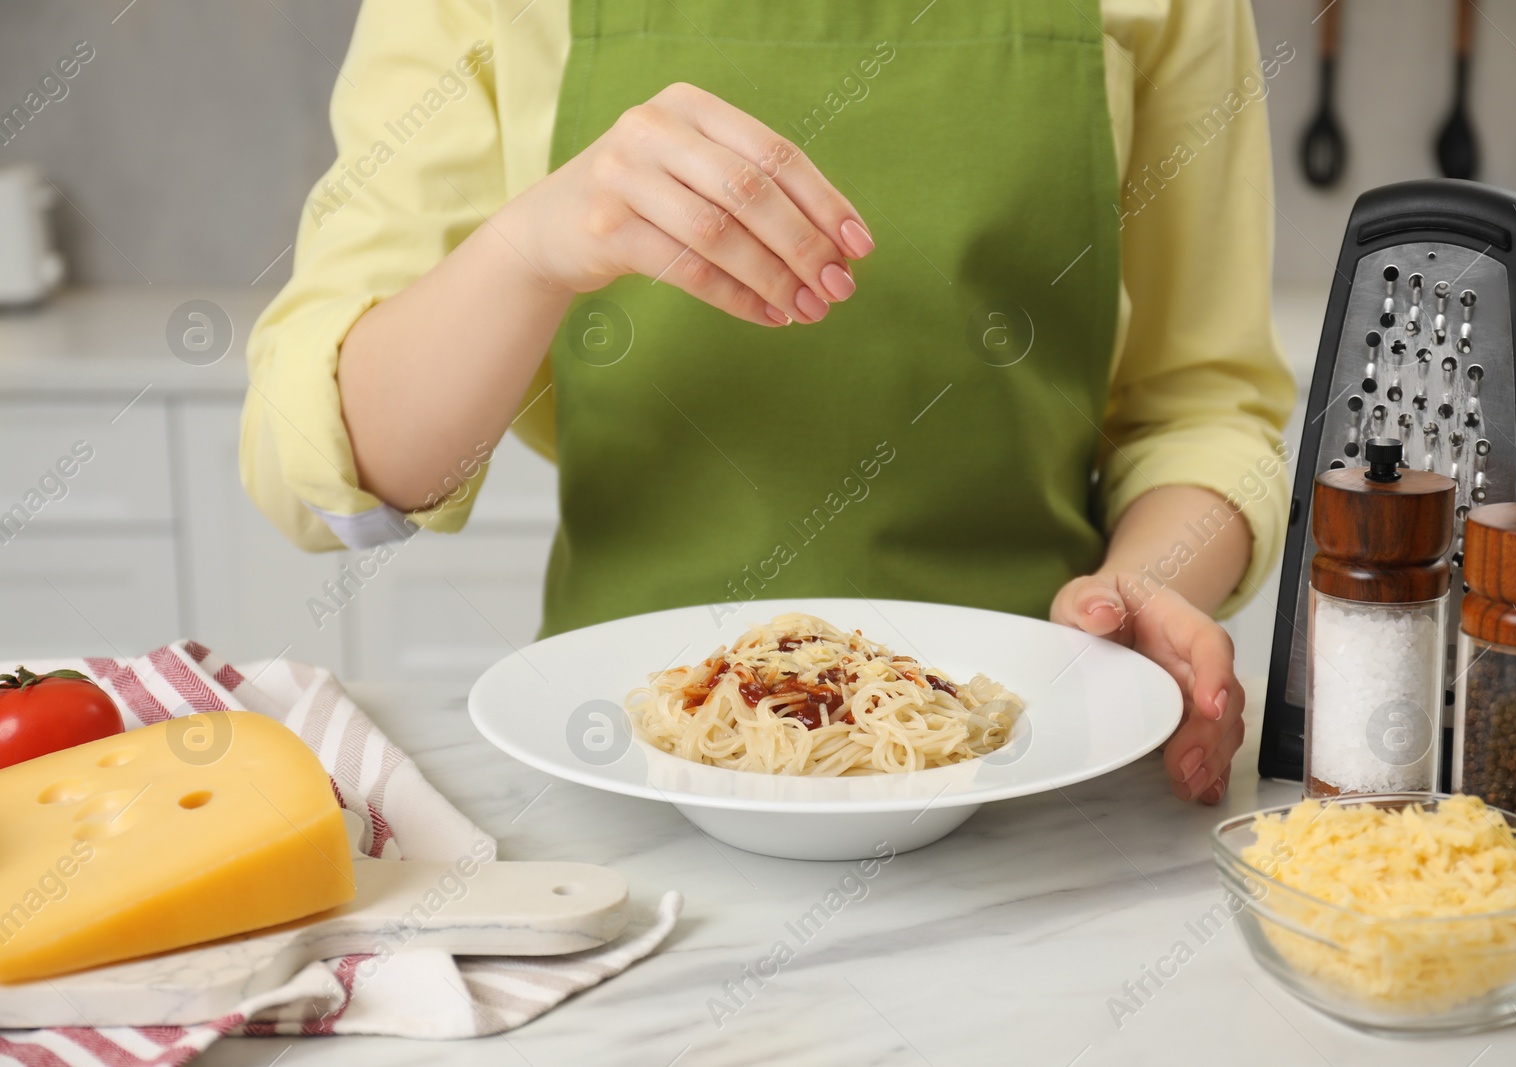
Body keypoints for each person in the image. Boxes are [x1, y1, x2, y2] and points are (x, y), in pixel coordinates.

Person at [243, 0, 1296, 806]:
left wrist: (1140, 587)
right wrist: (532, 248)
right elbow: (330, 469)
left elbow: (1200, 404)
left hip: (1041, 760)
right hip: (629, 765)